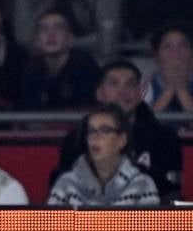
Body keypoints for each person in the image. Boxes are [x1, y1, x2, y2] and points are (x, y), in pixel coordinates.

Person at [50, 60, 182, 202]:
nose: (122, 91)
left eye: (130, 84)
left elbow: (170, 193)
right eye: (114, 84)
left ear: (140, 93)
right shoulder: (78, 137)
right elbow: (60, 186)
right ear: (100, 93)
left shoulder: (164, 138)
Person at [48, 103, 160, 207]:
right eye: (91, 131)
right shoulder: (66, 183)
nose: (95, 137)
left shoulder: (142, 184)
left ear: (122, 140)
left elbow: (151, 228)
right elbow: (51, 227)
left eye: (104, 130)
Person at [20, 8, 99, 111]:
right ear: (37, 41)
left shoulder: (85, 66)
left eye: (59, 28)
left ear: (70, 39)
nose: (51, 34)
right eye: (44, 28)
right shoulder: (30, 69)